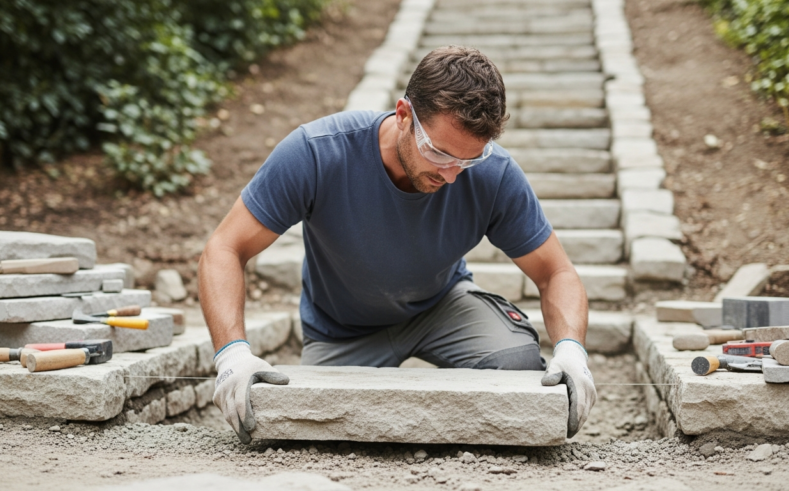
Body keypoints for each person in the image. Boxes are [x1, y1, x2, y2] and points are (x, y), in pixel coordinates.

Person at [198, 46, 597, 444]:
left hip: (441, 306)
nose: (452, 175)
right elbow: (225, 248)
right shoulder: (318, 153)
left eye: (467, 161)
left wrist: (570, 350)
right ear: (404, 115)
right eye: (439, 153)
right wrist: (232, 355)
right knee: (310, 428)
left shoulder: (494, 174)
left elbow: (555, 272)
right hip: (343, 330)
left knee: (518, 365)